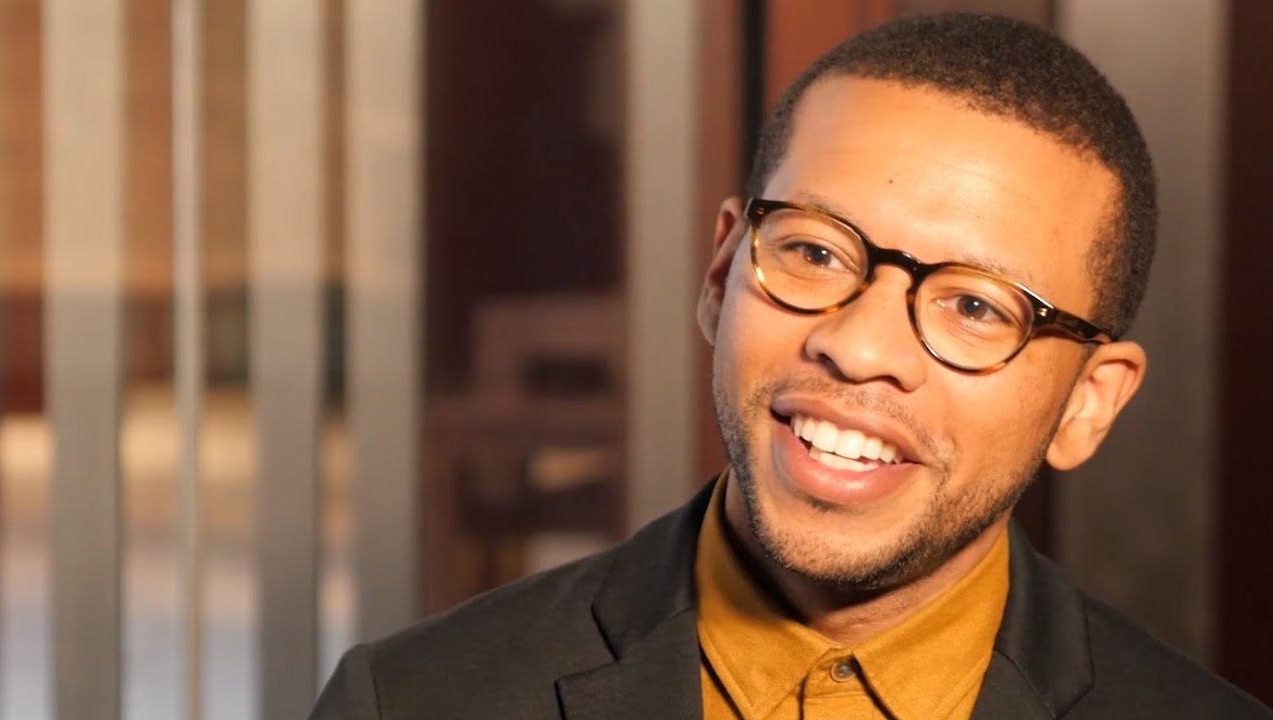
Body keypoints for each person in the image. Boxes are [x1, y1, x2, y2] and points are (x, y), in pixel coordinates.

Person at [310, 12, 1272, 720]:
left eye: (977, 307)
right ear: (722, 271)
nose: (858, 346)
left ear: (1088, 405)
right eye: (814, 252)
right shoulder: (411, 702)